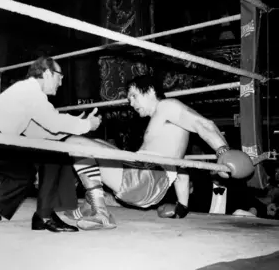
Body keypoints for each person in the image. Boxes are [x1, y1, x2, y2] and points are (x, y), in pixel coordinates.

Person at [64, 75, 254, 230]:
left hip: (144, 176)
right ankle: (90, 205)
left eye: (133, 96)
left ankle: (100, 212)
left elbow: (203, 124)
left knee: (74, 142)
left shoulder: (166, 106)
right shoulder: (166, 129)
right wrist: (182, 207)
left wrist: (223, 151)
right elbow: (181, 169)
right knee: (96, 143)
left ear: (151, 91)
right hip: (148, 179)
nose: (130, 103)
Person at [0, 56, 102, 232]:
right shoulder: (31, 91)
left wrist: (72, 126)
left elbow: (41, 133)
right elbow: (53, 124)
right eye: (60, 76)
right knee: (55, 153)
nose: (61, 82)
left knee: (24, 175)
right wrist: (87, 125)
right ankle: (44, 216)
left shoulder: (25, 93)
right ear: (48, 73)